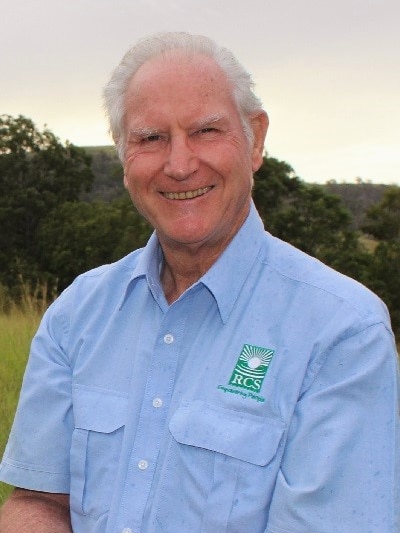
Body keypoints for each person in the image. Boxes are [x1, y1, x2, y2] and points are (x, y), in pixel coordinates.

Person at [0, 32, 399, 533]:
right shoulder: (77, 314)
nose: (180, 164)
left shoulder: (342, 334)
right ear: (124, 156)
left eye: (207, 130)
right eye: (151, 138)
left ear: (255, 139)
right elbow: (37, 501)